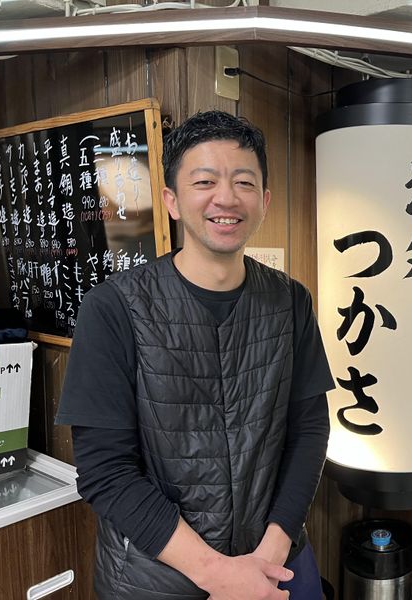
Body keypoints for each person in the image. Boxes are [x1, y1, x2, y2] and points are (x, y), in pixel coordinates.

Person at [56, 110, 334, 600]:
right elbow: (106, 471)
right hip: (152, 581)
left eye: (244, 182)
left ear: (264, 200)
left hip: (274, 566)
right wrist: (219, 574)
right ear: (172, 201)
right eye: (205, 181)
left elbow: (309, 430)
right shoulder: (113, 307)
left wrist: (269, 555)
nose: (226, 198)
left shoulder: (291, 301)